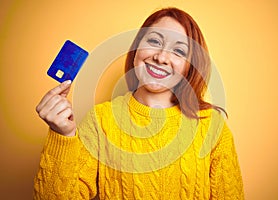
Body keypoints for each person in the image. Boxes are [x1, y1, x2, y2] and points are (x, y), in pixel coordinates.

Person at [34, 7, 244, 199]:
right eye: (154, 42)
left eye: (179, 51)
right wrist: (62, 137)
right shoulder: (101, 120)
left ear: (190, 66)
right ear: (136, 49)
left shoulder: (211, 126)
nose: (161, 57)